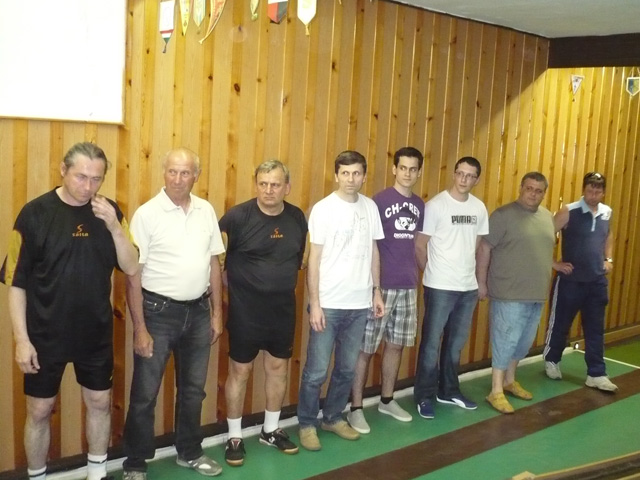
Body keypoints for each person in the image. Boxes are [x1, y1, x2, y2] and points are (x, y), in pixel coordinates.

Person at [0, 142, 139, 480]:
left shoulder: (110, 212)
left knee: (100, 403)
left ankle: (97, 474)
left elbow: (131, 265)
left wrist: (114, 227)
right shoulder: (34, 214)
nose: (88, 187)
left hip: (95, 332)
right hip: (44, 334)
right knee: (40, 409)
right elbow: (15, 282)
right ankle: (37, 476)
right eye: (80, 176)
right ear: (63, 170)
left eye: (96, 179)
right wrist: (22, 340)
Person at [121, 148, 225, 479]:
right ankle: (135, 462)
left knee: (194, 390)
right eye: (172, 172)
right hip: (157, 314)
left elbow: (214, 263)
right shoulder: (147, 215)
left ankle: (189, 452)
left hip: (199, 312)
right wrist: (139, 328)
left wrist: (217, 313)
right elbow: (133, 274)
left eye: (185, 172)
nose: (178, 179)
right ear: (163, 173)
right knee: (144, 394)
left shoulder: (206, 210)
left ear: (196, 175)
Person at [219, 160, 307, 466]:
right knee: (240, 371)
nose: (269, 190)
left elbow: (298, 259)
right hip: (245, 311)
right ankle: (234, 436)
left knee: (278, 367)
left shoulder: (297, 217)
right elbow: (217, 261)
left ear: (287, 187)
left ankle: (270, 430)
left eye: (275, 184)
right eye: (263, 183)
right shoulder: (237, 217)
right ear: (256, 184)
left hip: (282, 309)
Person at [297, 151, 385, 451]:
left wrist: (376, 291)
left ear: (364, 176)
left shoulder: (370, 207)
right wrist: (316, 303)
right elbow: (314, 259)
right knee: (316, 371)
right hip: (329, 304)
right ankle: (307, 423)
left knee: (346, 369)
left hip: (359, 304)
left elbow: (374, 251)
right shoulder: (323, 209)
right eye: (345, 173)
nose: (350, 179)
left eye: (356, 173)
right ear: (336, 175)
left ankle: (333, 417)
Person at [347, 147, 425, 434]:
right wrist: (374, 288)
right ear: (394, 169)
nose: (407, 173)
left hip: (408, 286)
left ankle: (387, 400)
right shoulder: (378, 201)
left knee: (396, 345)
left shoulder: (420, 204)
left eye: (413, 169)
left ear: (419, 172)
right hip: (380, 287)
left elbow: (416, 243)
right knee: (365, 349)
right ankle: (356, 408)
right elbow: (369, 245)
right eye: (403, 167)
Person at [413, 156, 489, 419]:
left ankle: (448, 391)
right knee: (431, 344)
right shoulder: (436, 206)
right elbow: (420, 245)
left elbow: (477, 246)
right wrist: (433, 272)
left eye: (470, 175)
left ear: (476, 179)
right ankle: (424, 396)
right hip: (440, 286)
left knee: (455, 344)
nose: (464, 179)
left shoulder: (479, 208)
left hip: (467, 288)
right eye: (460, 173)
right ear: (454, 174)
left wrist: (477, 281)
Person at [477, 172, 556, 414]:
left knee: (522, 343)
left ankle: (510, 381)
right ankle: (496, 390)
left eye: (539, 190)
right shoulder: (503, 215)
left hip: (536, 293)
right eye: (529, 188)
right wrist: (481, 282)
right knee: (505, 341)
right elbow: (484, 248)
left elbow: (539, 249)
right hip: (508, 292)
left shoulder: (547, 217)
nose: (533, 194)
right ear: (521, 188)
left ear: (544, 193)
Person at [543, 172, 618, 392]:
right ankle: (552, 360)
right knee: (561, 324)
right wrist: (554, 263)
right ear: (584, 189)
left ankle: (596, 373)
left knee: (595, 328)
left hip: (596, 281)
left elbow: (609, 235)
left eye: (598, 191)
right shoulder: (569, 211)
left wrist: (609, 259)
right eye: (590, 190)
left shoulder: (606, 213)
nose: (593, 194)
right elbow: (545, 235)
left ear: (603, 192)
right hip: (570, 281)